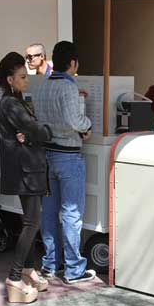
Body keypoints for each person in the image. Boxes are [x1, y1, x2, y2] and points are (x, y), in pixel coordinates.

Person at [33, 41, 96, 284]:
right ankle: (73, 269)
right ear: (73, 63)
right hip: (68, 156)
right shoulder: (68, 86)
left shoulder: (43, 85)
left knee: (48, 212)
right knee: (71, 212)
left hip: (46, 154)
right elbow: (74, 120)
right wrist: (87, 126)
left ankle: (50, 264)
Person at [0, 52, 52, 303]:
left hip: (29, 169)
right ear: (9, 79)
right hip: (26, 171)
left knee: (30, 221)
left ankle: (28, 269)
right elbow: (37, 129)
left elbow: (30, 131)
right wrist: (41, 132)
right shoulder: (10, 103)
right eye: (21, 77)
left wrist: (31, 134)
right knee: (32, 223)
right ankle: (15, 276)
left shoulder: (16, 101)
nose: (26, 80)